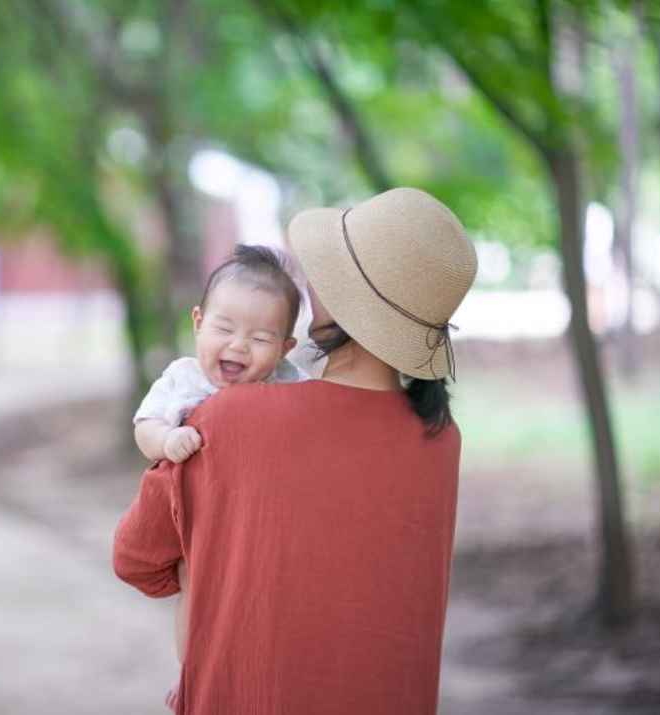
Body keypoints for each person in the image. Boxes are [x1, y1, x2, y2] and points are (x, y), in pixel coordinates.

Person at [113, 187, 478, 714]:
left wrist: (216, 575)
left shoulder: (229, 416)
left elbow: (135, 558)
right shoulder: (440, 438)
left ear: (348, 303)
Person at [132, 245, 306, 709]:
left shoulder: (291, 384)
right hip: (206, 517)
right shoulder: (184, 379)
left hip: (262, 515)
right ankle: (192, 672)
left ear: (286, 347)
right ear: (197, 323)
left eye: (261, 338)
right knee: (195, 583)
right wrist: (168, 441)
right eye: (224, 328)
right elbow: (144, 426)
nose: (238, 345)